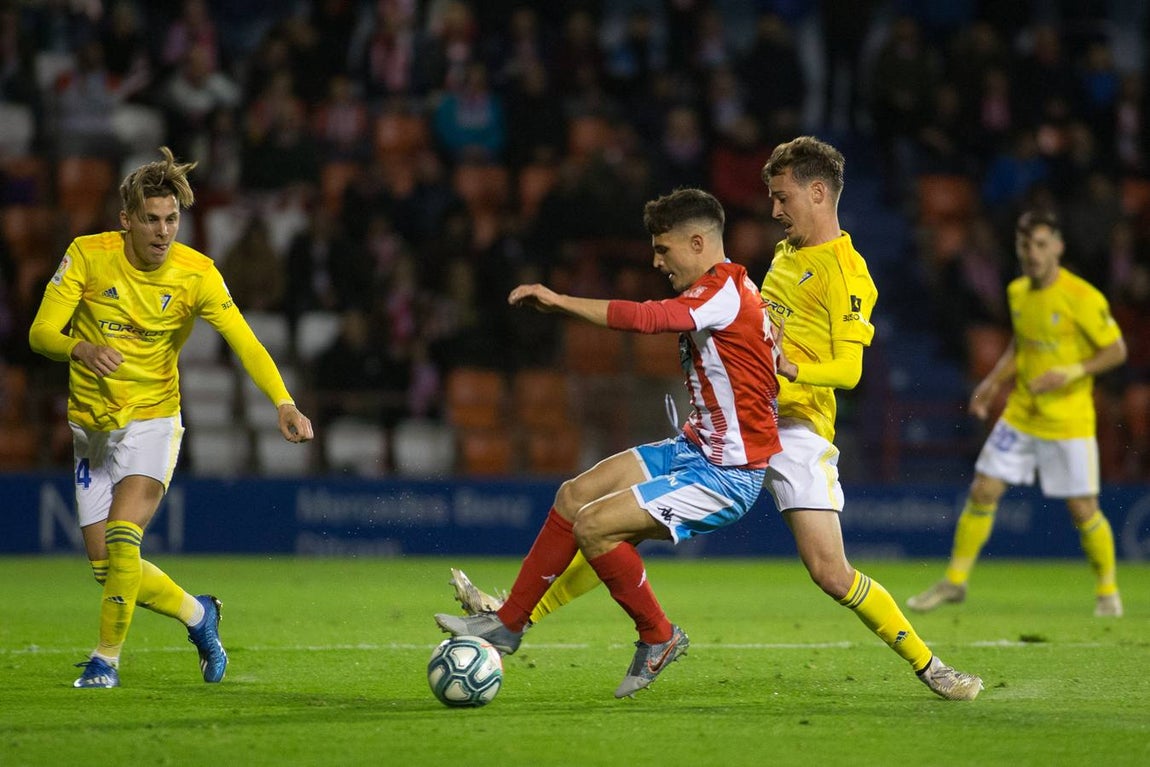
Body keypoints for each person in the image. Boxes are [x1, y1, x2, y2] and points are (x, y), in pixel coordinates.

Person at [449, 137, 984, 700]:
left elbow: (849, 371)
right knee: (608, 519)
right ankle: (516, 617)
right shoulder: (784, 256)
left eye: (782, 197)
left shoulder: (848, 273)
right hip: (740, 423)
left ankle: (932, 667)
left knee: (831, 573)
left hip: (797, 430)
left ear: (818, 192)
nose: (773, 209)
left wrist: (791, 369)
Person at [435, 188, 782, 699]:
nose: (656, 261)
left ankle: (658, 636)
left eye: (663, 249)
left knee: (594, 526)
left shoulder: (722, 293)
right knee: (573, 495)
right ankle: (507, 625)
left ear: (697, 242)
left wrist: (560, 301)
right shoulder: (730, 290)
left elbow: (648, 319)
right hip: (694, 450)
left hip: (726, 476)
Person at [29, 147, 314, 688]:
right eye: (152, 219)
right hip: (91, 428)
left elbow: (246, 342)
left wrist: (283, 401)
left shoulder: (196, 274)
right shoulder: (87, 256)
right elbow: (40, 333)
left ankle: (105, 661)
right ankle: (198, 614)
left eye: (172, 219)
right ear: (127, 220)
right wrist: (80, 348)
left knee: (123, 540)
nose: (163, 232)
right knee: (106, 569)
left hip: (153, 421)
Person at [908, 209, 1126, 617]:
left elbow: (1116, 350)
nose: (1033, 253)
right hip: (1022, 413)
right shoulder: (1017, 291)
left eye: (1041, 244)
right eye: (1026, 244)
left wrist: (1071, 372)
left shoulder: (1082, 297)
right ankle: (955, 581)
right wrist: (991, 383)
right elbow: (1022, 346)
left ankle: (1108, 591)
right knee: (983, 490)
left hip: (1068, 419)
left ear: (1058, 247)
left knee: (1083, 509)